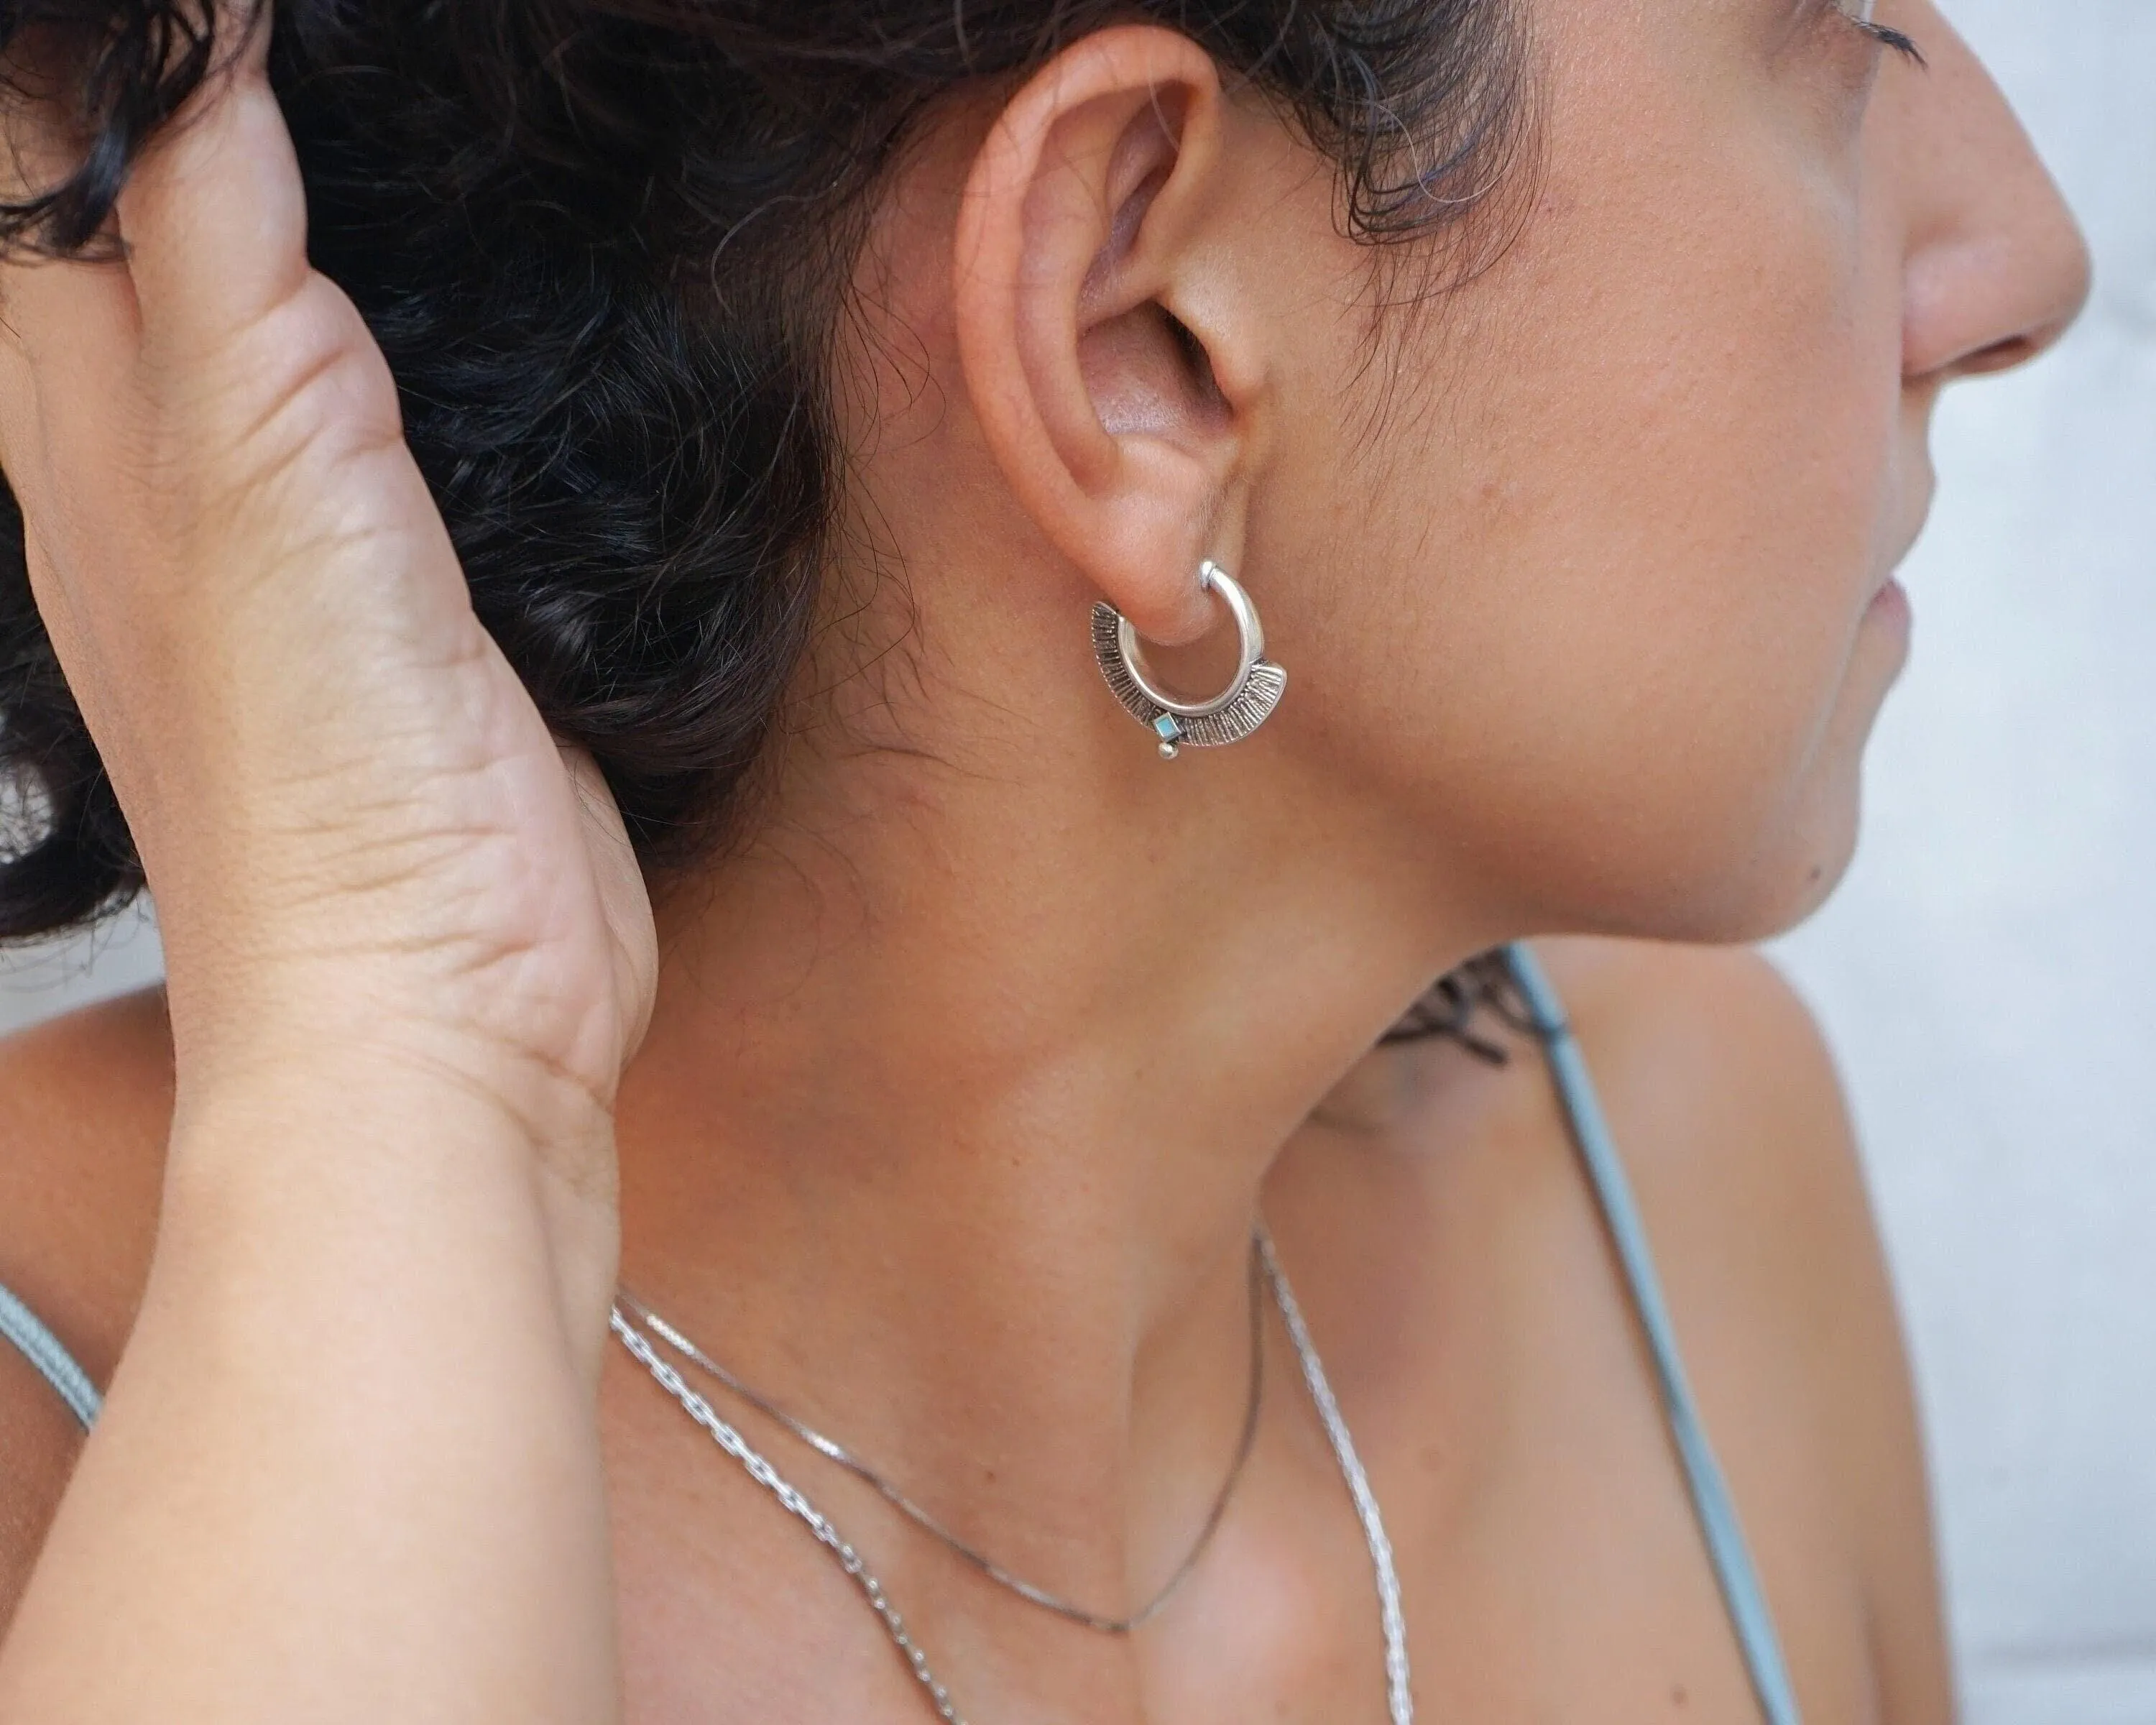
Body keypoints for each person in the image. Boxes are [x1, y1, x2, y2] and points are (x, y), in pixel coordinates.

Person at [0, 0, 2088, 1718]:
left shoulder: (1681, 1168)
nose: (2032, 258)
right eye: (1835, 25)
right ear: (1143, 336)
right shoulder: (58, 1451)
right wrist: (396, 1070)